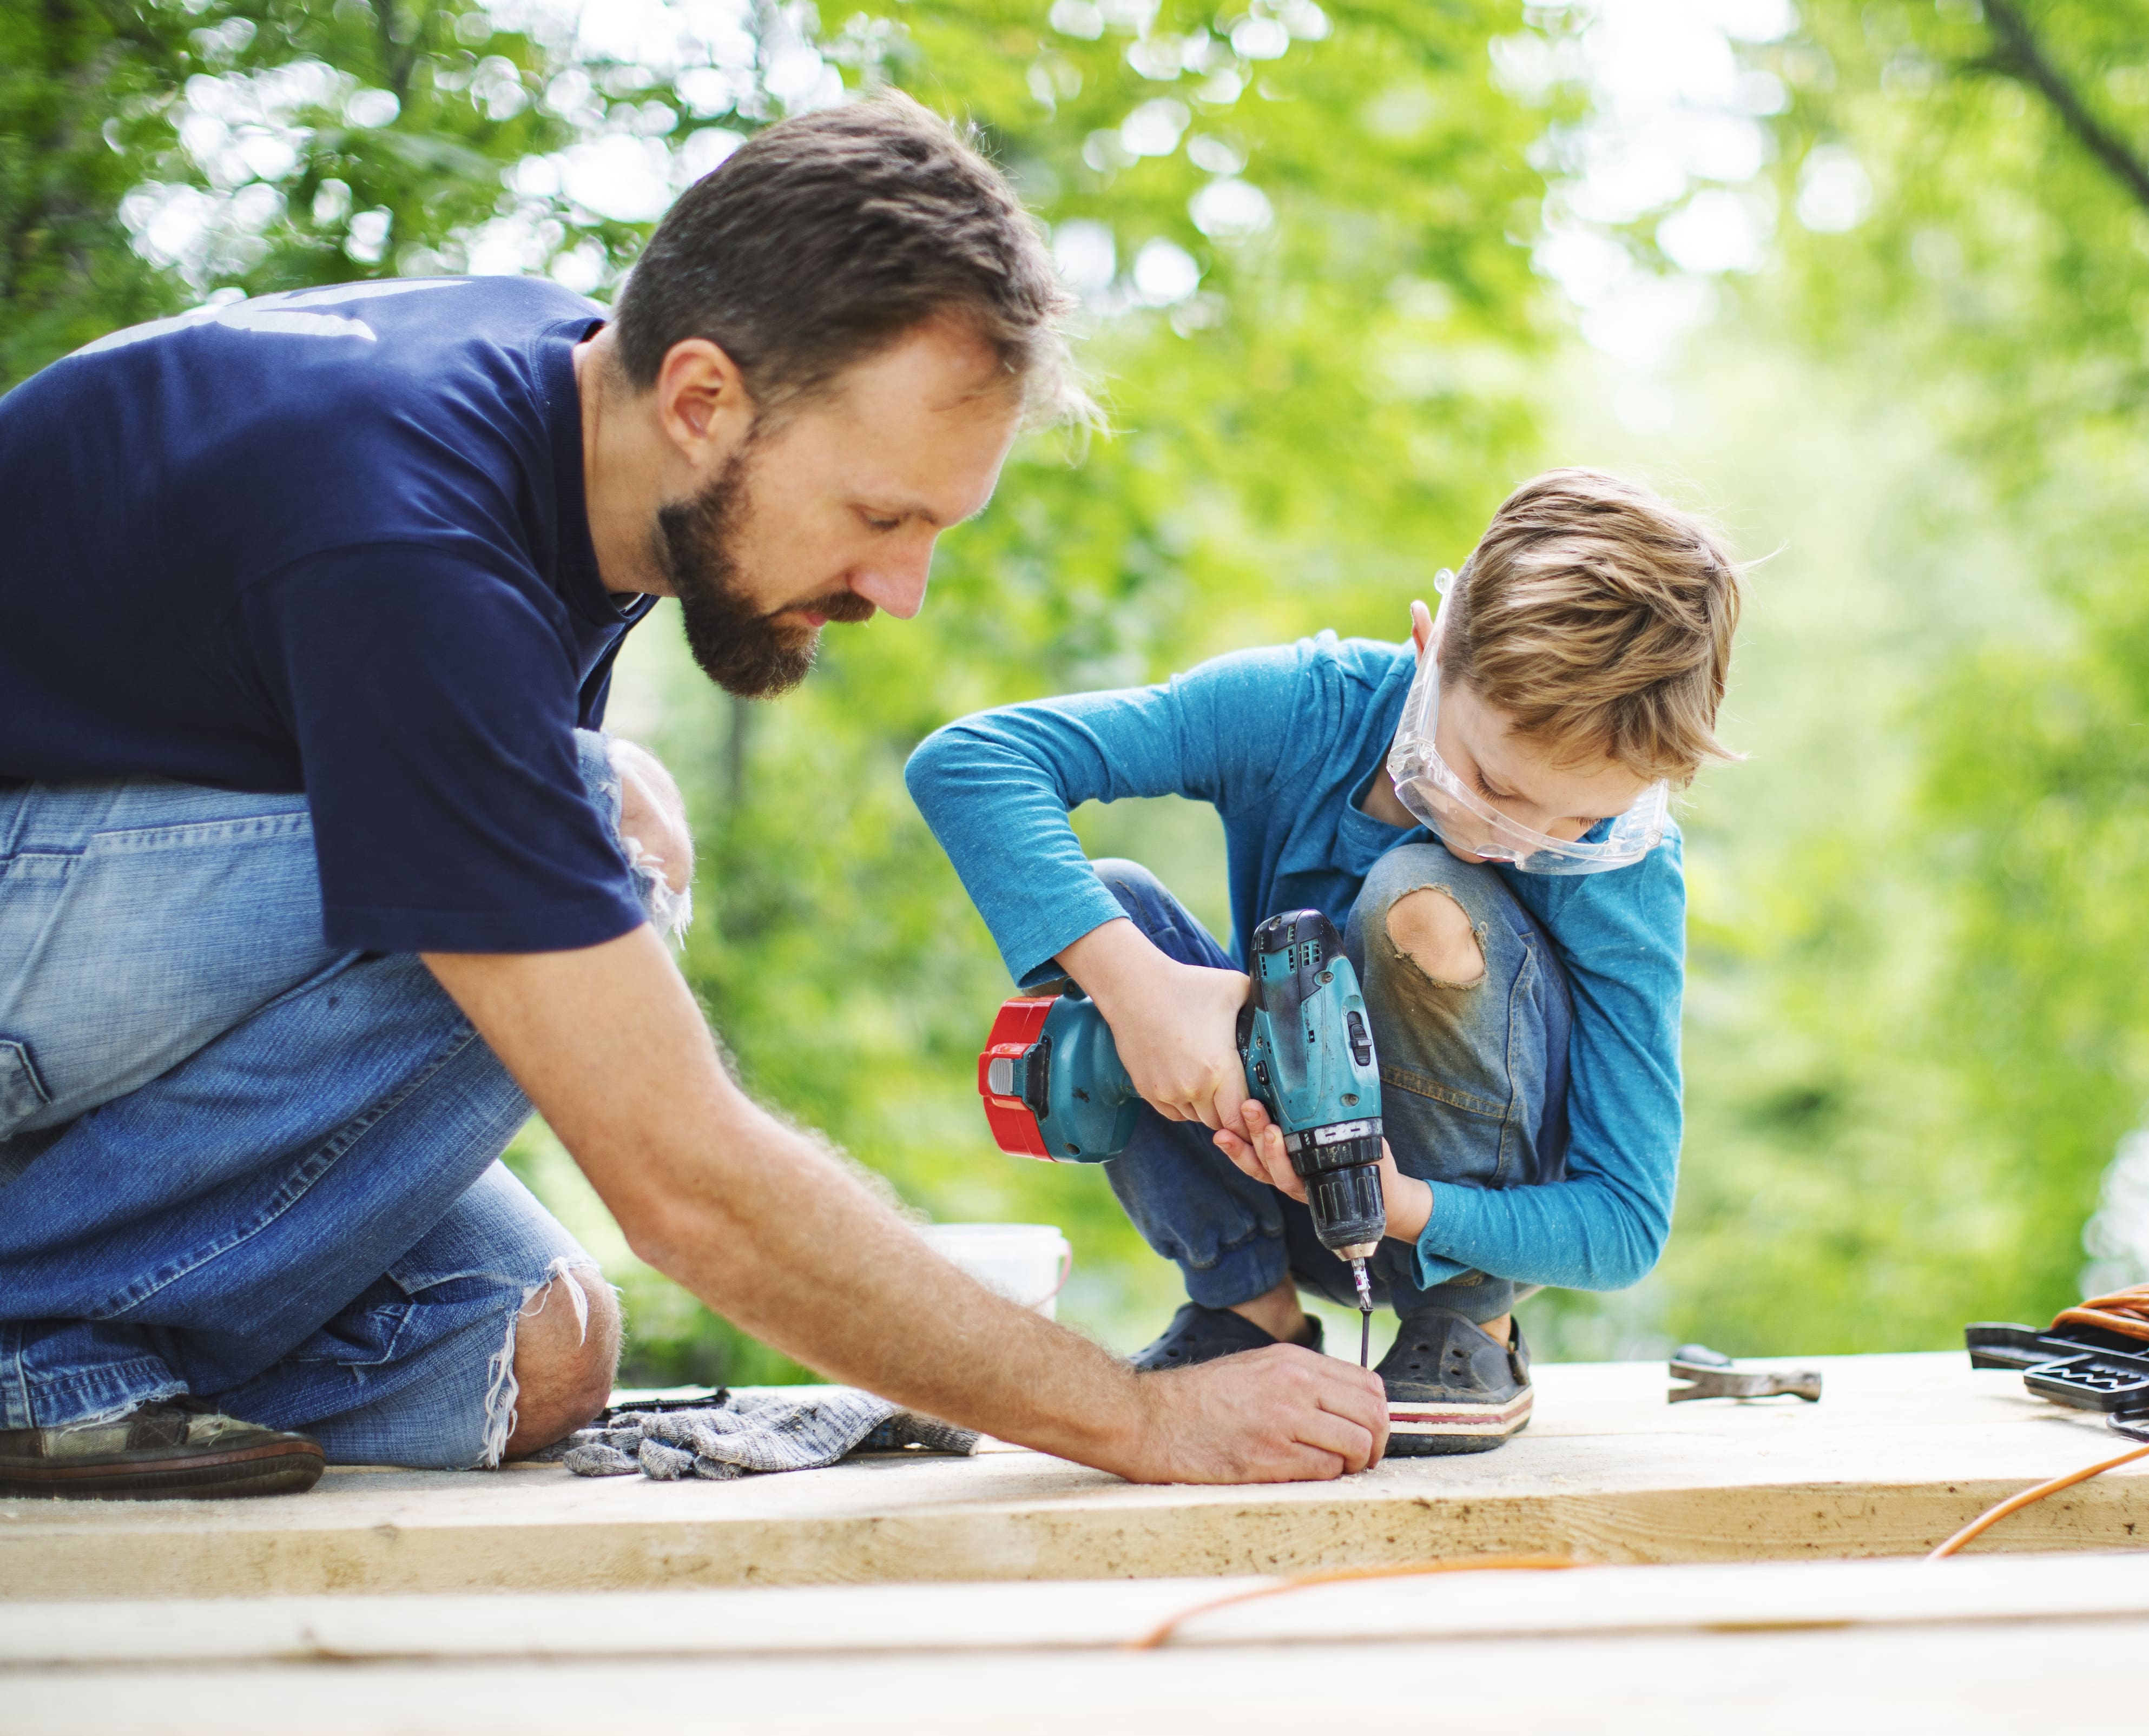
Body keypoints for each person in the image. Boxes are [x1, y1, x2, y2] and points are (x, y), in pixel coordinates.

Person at [0, 95, 1388, 1502]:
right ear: (703, 399)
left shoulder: (576, 414)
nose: (898, 593)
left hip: (81, 980)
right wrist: (1139, 1420)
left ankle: (86, 1324)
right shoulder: (404, 541)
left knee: (537, 1351)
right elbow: (678, 1176)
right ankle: (33, 1347)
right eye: (881, 516)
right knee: (600, 827)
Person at [906, 470, 1741, 1453]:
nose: (1516, 843)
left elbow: (1624, 1223)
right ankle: (1245, 1312)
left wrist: (1400, 1203)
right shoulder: (1304, 712)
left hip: (1456, 1225)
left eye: (1577, 821)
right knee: (1107, 909)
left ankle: (1467, 1327)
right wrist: (1141, 994)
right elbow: (968, 764)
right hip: (1263, 1167)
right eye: (1492, 784)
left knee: (1423, 893)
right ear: (1433, 650)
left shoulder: (1627, 870)